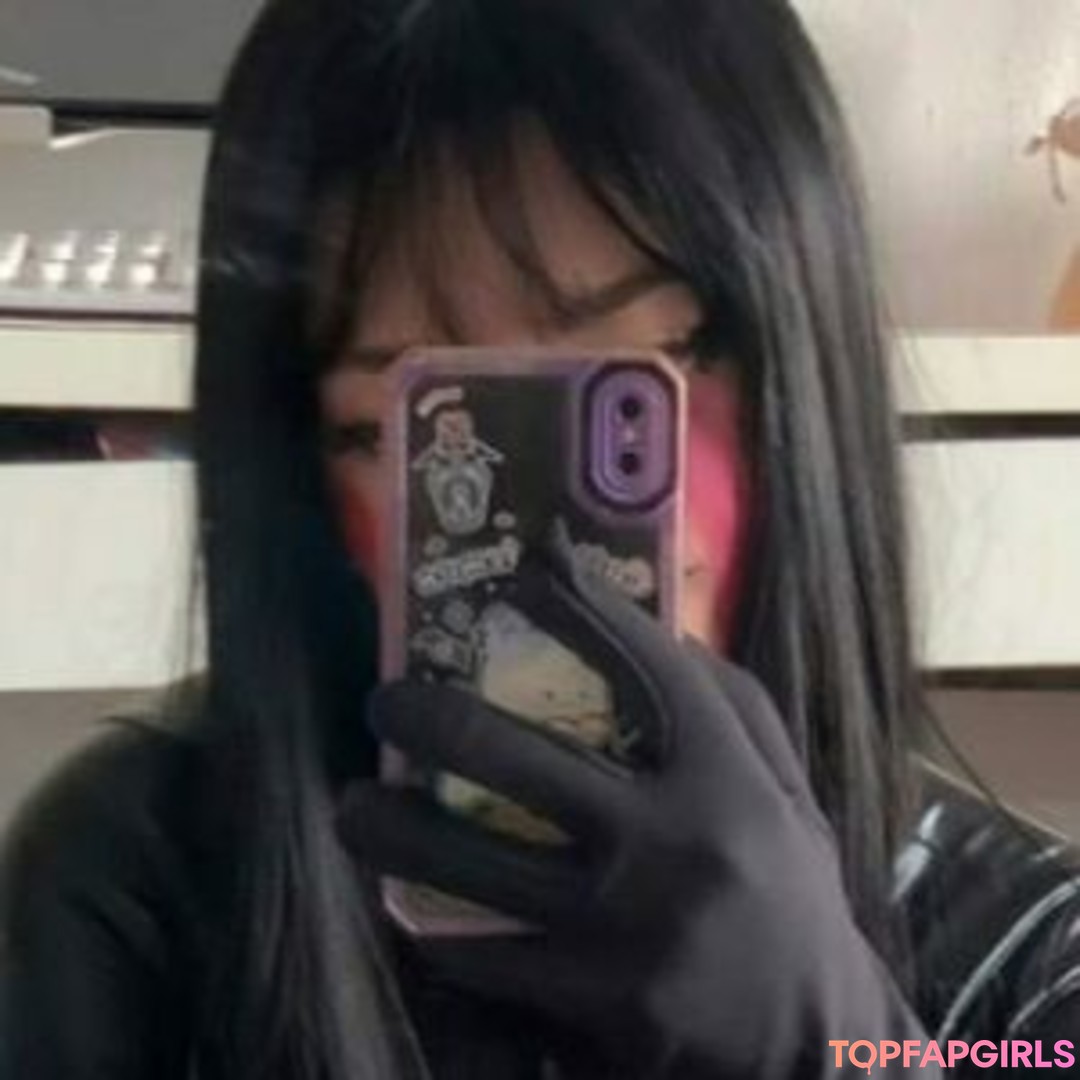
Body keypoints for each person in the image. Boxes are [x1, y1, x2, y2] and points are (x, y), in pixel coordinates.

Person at [2, 1, 1079, 1077]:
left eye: (652, 370)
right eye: (397, 424)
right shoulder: (128, 896)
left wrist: (831, 1046)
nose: (546, 541)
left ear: (805, 358)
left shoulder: (1034, 968)